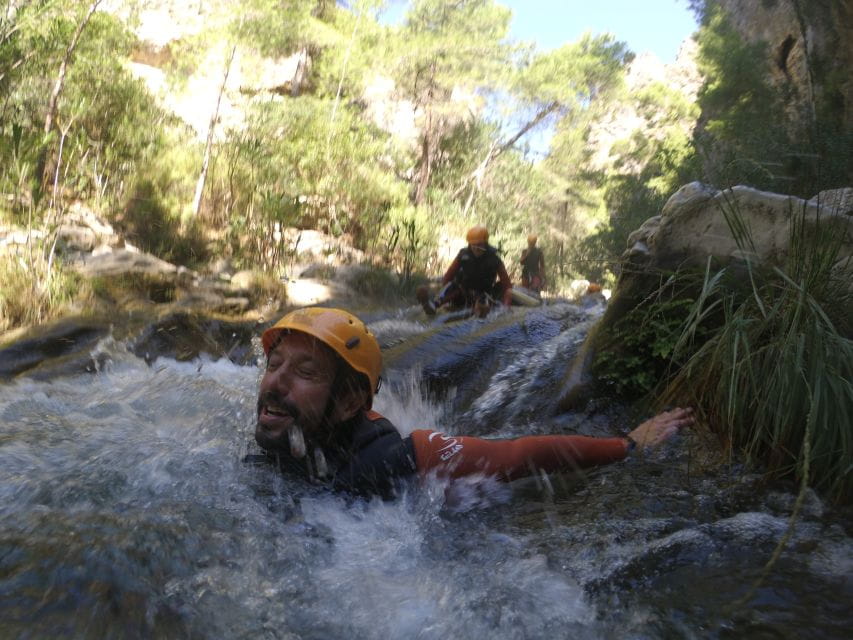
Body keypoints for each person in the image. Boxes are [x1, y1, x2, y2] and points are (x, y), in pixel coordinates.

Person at [250, 306, 694, 500]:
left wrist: (627, 446)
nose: (276, 382)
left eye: (305, 372)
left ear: (349, 401)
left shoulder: (397, 457)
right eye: (274, 363)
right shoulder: (272, 443)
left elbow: (517, 454)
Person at [417, 225, 512, 318]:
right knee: (453, 285)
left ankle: (482, 311)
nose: (476, 248)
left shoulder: (494, 259)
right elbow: (448, 276)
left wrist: (506, 306)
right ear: (469, 244)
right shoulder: (463, 255)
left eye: (479, 245)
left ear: (485, 243)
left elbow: (507, 286)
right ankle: (434, 305)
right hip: (463, 294)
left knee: (490, 295)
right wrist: (444, 294)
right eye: (473, 245)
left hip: (484, 294)